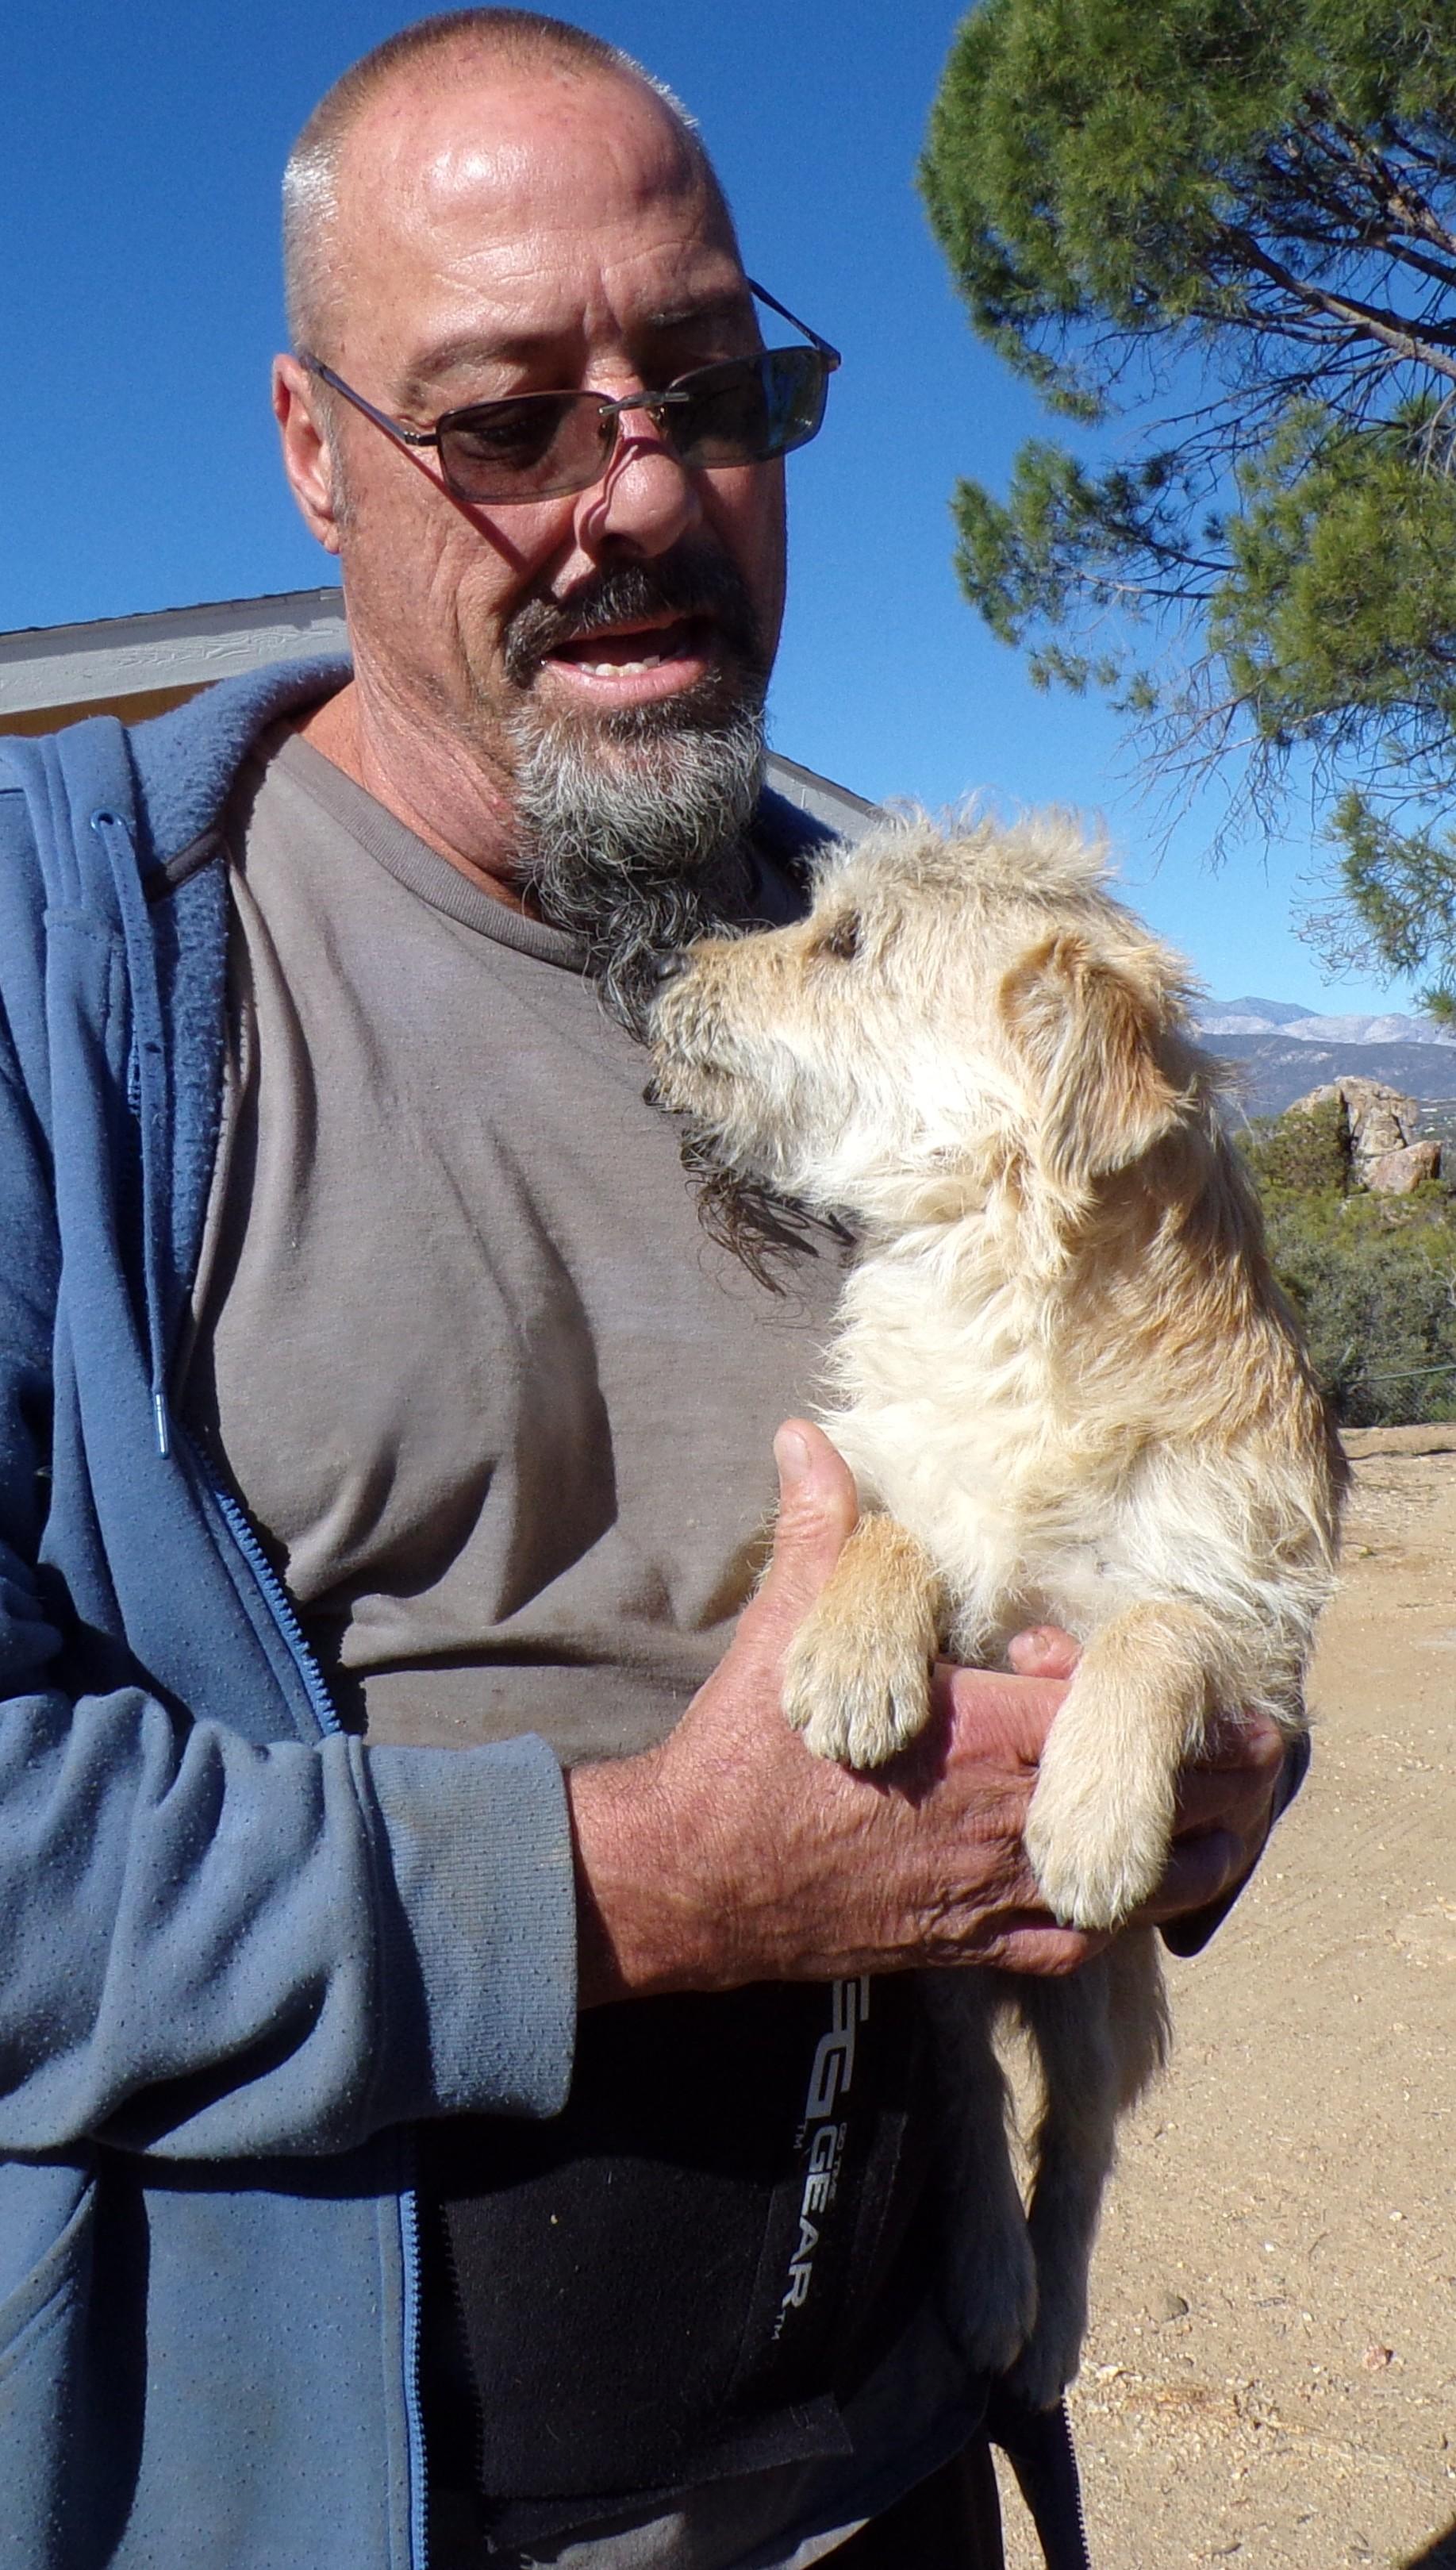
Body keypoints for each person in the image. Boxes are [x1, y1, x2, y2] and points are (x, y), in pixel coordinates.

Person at [0, 14, 1297, 2568]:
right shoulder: (64, 974)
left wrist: (1196, 1773)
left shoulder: (929, 974)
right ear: (309, 450)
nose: (635, 492)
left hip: (887, 2477)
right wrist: (629, 1890)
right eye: (504, 420)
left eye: (712, 388)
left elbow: (1193, 1503)